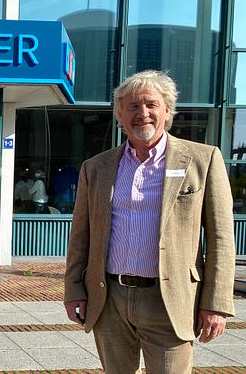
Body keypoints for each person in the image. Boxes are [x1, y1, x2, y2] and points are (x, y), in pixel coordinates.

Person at [64, 70, 235, 373]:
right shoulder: (96, 167)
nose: (142, 113)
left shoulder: (202, 159)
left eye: (151, 105)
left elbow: (221, 237)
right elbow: (81, 235)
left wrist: (216, 303)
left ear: (167, 110)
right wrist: (74, 288)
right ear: (120, 115)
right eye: (132, 106)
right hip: (109, 300)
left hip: (171, 300)